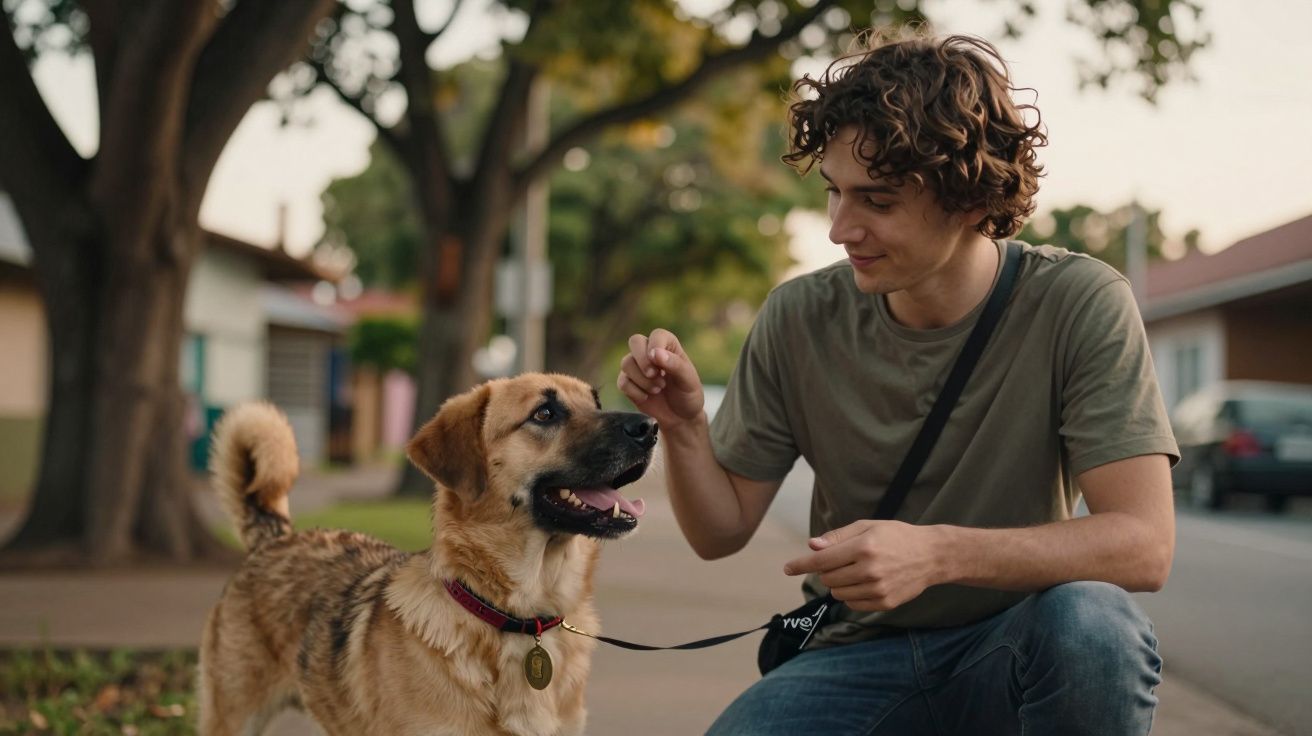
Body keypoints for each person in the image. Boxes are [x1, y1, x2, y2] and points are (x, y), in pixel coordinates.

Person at [616, 29, 1178, 736]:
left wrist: (938, 554)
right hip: (854, 651)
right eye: (834, 194)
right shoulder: (799, 316)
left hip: (1011, 645)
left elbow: (1143, 545)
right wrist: (685, 427)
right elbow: (720, 533)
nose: (840, 229)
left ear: (971, 200)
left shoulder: (1078, 302)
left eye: (877, 201)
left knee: (1095, 624)